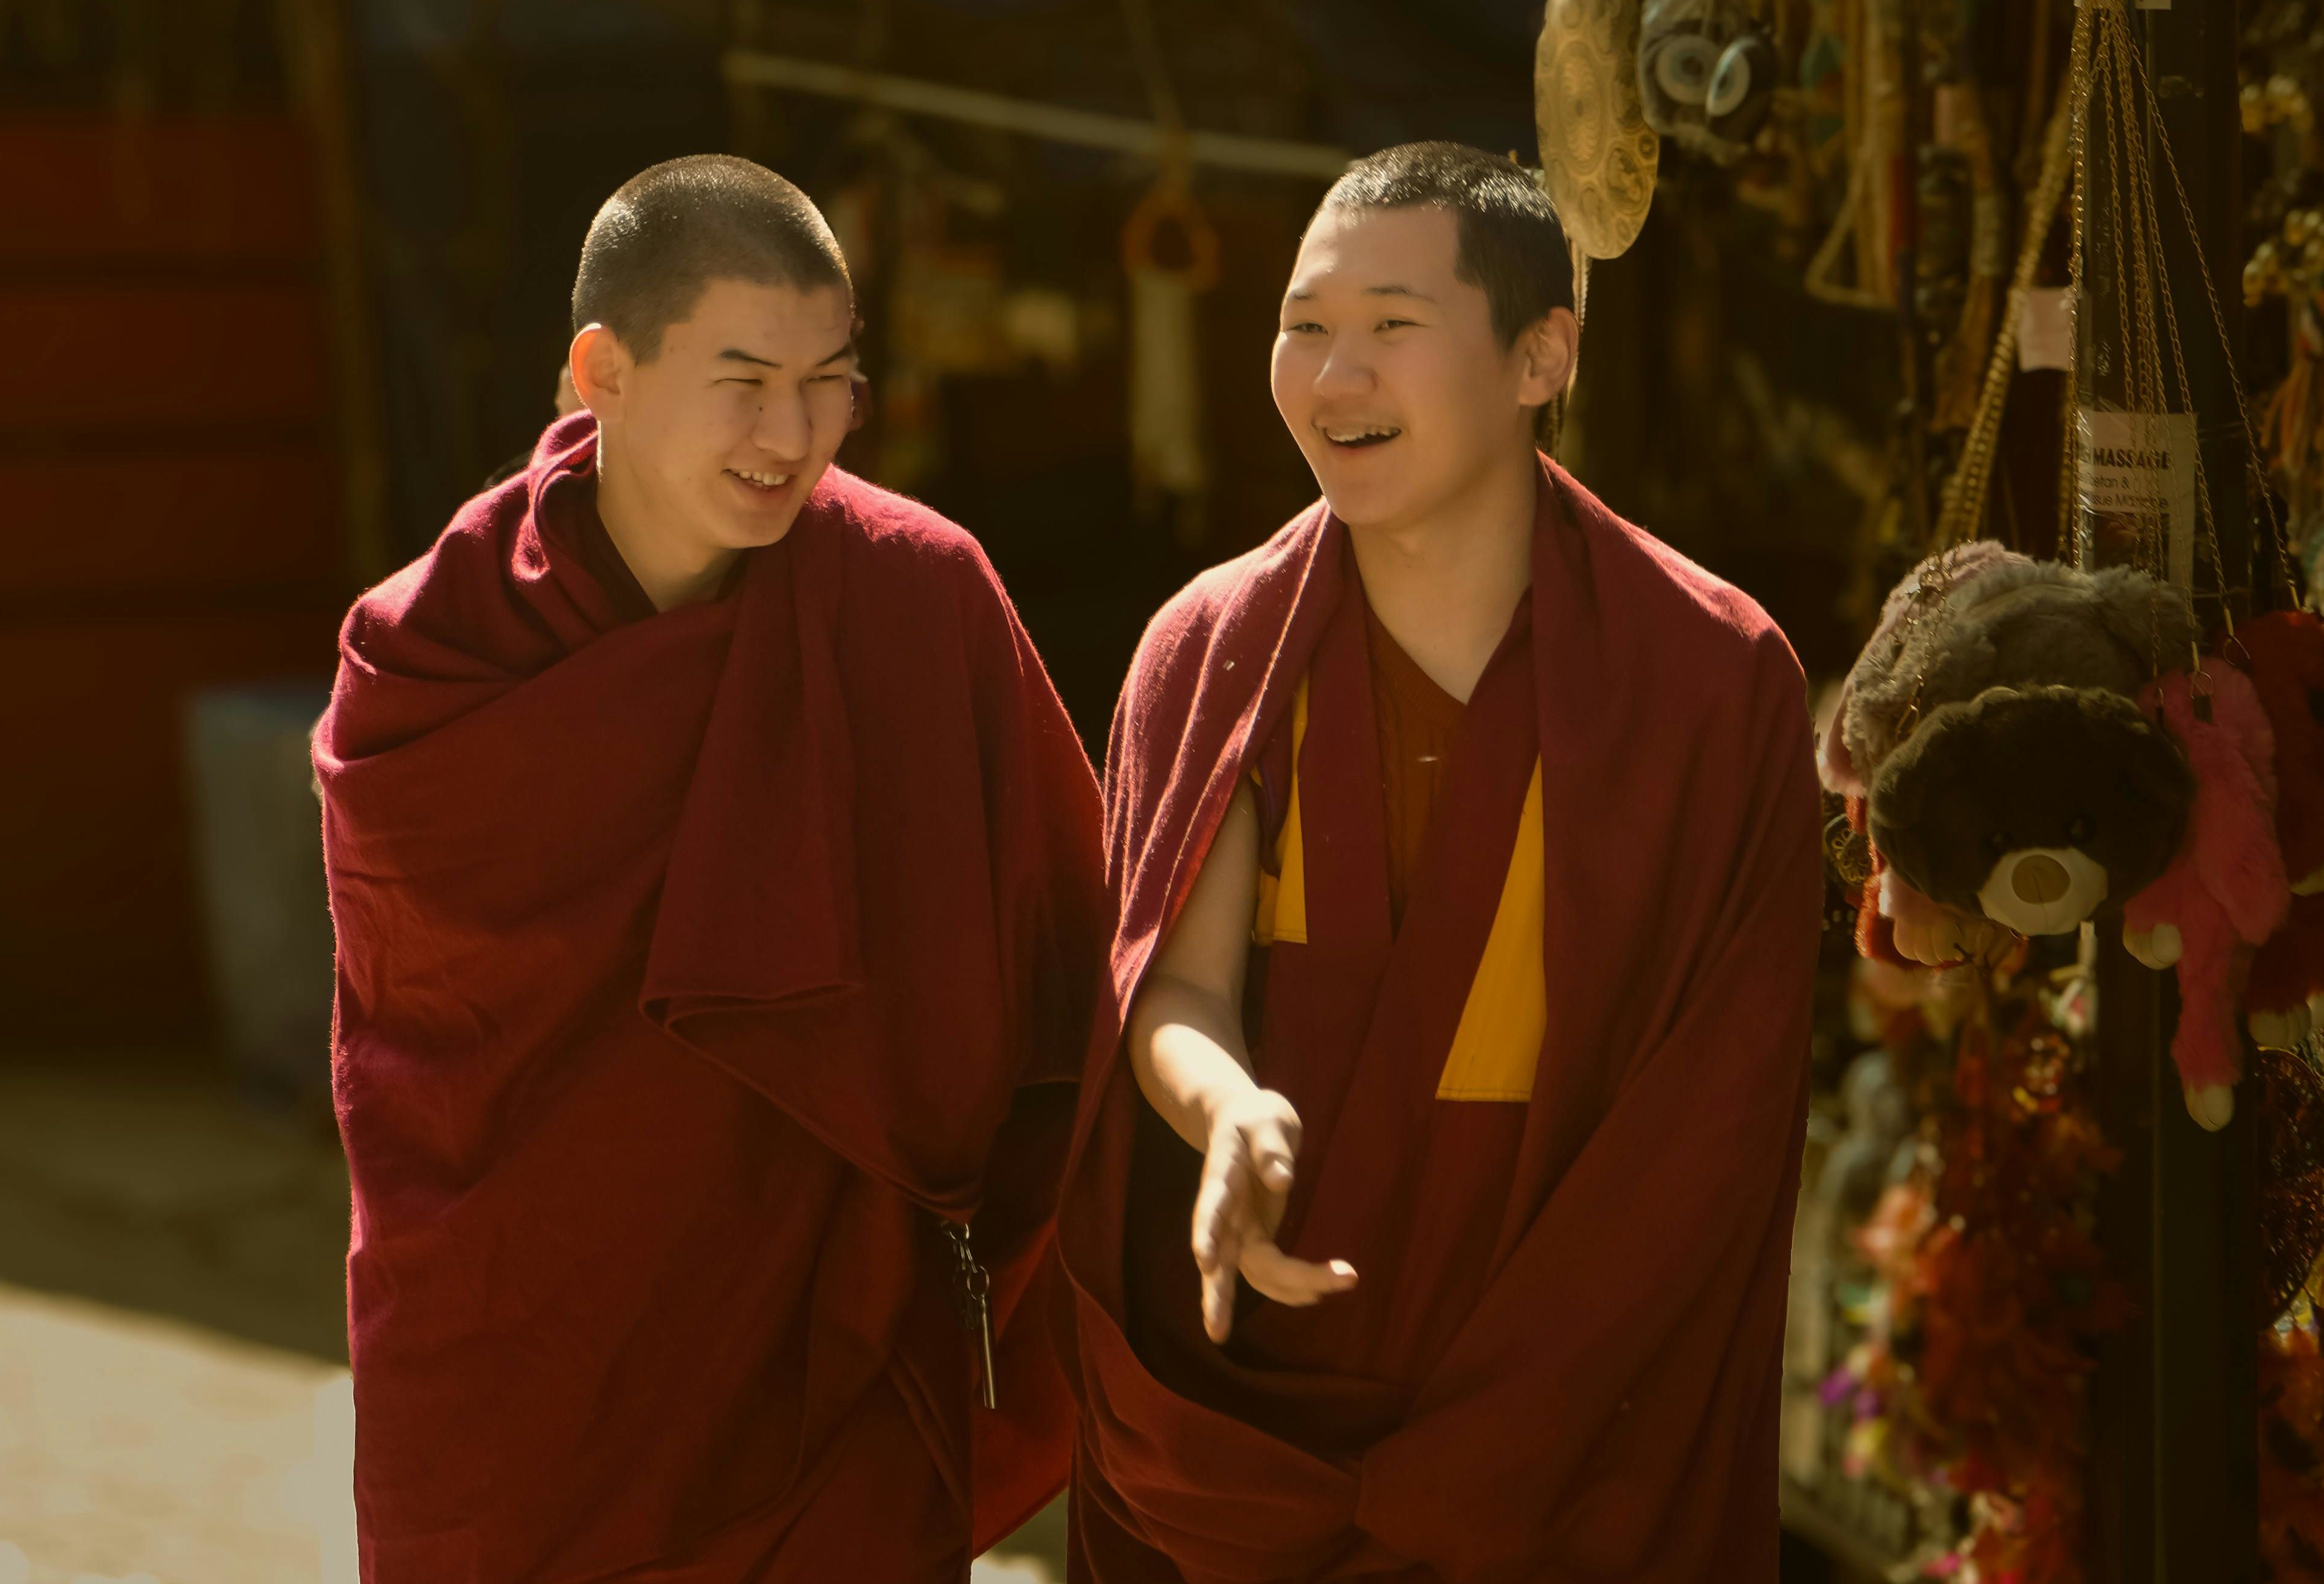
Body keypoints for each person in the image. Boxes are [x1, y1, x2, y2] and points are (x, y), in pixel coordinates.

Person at [317, 154, 1106, 1582]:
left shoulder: (912, 597)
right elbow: (427, 1060)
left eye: (830, 381)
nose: (792, 433)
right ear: (600, 372)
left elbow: (1070, 948)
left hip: (819, 1341)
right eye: (743, 379)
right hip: (514, 1350)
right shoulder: (430, 661)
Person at [1055, 142, 1819, 1581]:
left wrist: (1525, 1424)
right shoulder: (1209, 648)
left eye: (1392, 330)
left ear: (1542, 357)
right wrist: (1228, 1116)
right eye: (1304, 327)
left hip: (1567, 1419)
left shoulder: (1709, 681)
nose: (1332, 379)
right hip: (1256, 1411)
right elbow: (1173, 991)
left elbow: (1714, 1122)